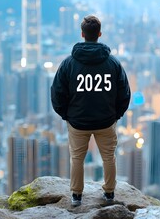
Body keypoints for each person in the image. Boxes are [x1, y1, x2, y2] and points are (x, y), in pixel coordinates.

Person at [51, 15, 131, 206]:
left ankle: (76, 195)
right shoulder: (113, 63)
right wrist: (115, 115)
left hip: (78, 122)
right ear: (99, 34)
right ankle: (110, 193)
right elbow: (125, 93)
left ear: (82, 34)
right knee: (108, 157)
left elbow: (57, 93)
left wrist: (67, 116)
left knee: (77, 158)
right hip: (106, 121)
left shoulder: (68, 64)